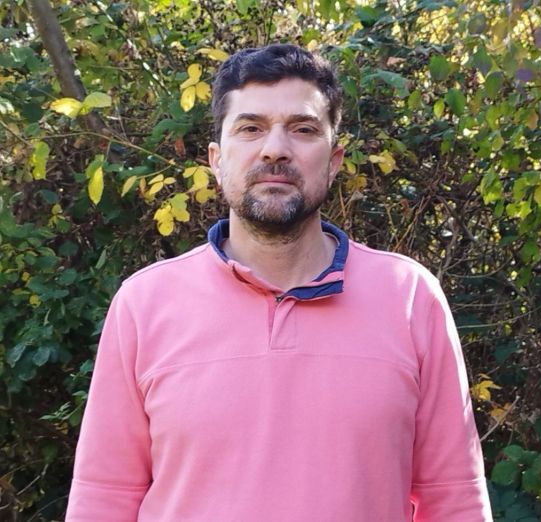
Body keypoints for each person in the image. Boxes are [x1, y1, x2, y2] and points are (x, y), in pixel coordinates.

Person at [66, 43, 492, 521]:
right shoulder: (144, 304)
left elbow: (454, 497)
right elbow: (104, 498)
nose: (275, 149)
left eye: (303, 129)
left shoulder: (410, 297)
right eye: (250, 128)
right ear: (216, 158)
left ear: (334, 159)